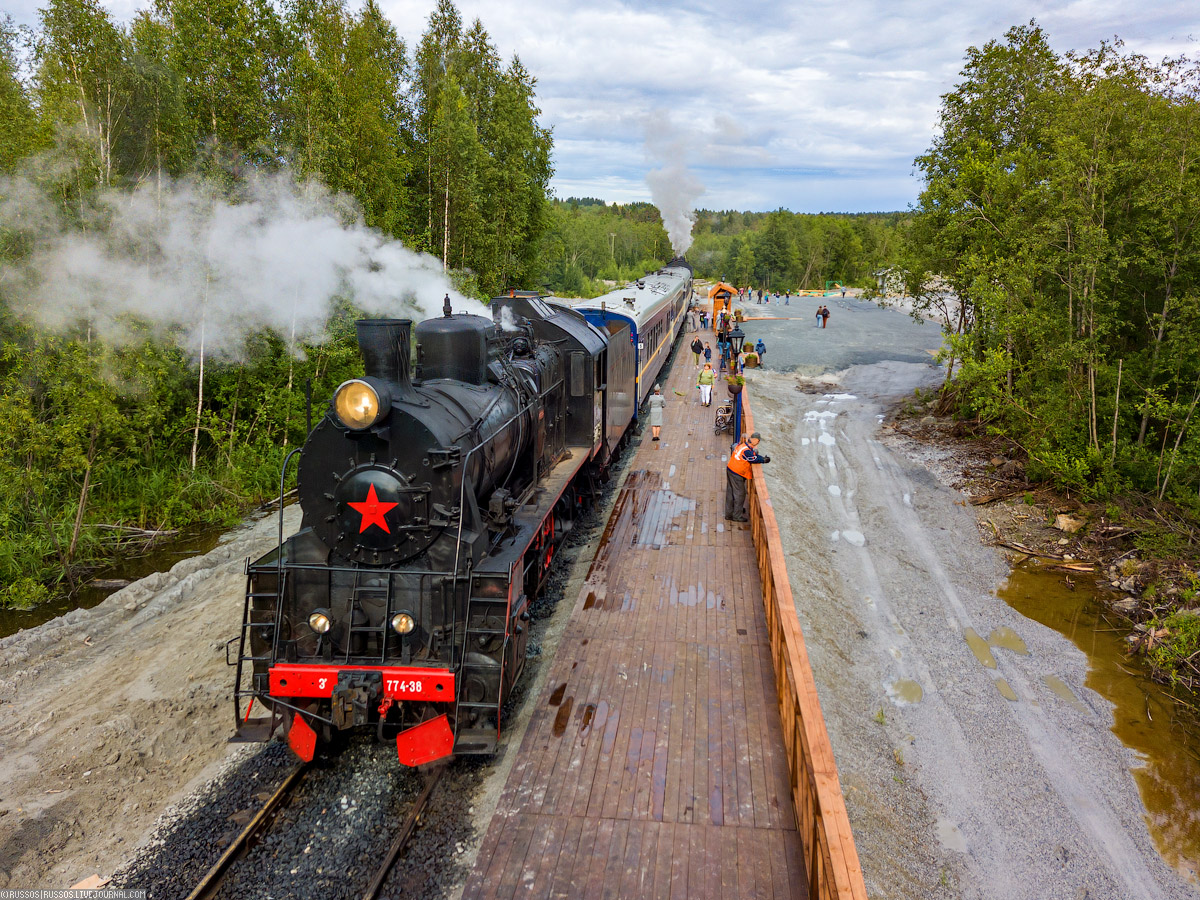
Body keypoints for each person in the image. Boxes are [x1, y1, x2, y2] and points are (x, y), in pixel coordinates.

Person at [725, 432, 770, 521]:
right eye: (758, 440)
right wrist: (763, 460)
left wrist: (760, 457)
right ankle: (737, 516)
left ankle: (729, 514)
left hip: (730, 469)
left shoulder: (744, 446)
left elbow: (752, 455)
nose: (758, 442)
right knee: (740, 494)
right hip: (737, 473)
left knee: (730, 492)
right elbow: (753, 458)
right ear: (755, 440)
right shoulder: (747, 450)